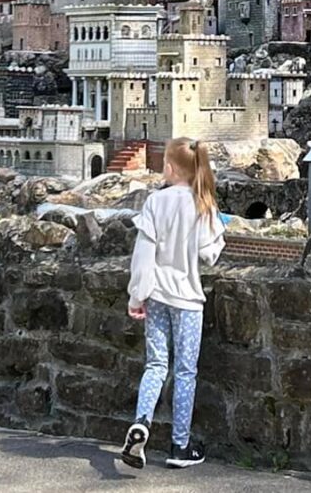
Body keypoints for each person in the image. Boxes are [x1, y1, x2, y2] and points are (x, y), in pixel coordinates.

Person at [120, 138, 225, 471]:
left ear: (168, 168)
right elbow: (210, 254)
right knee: (185, 372)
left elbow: (143, 256)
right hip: (189, 300)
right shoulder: (202, 204)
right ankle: (180, 445)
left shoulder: (155, 201)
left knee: (155, 365)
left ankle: (141, 422)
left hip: (157, 297)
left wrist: (137, 296)